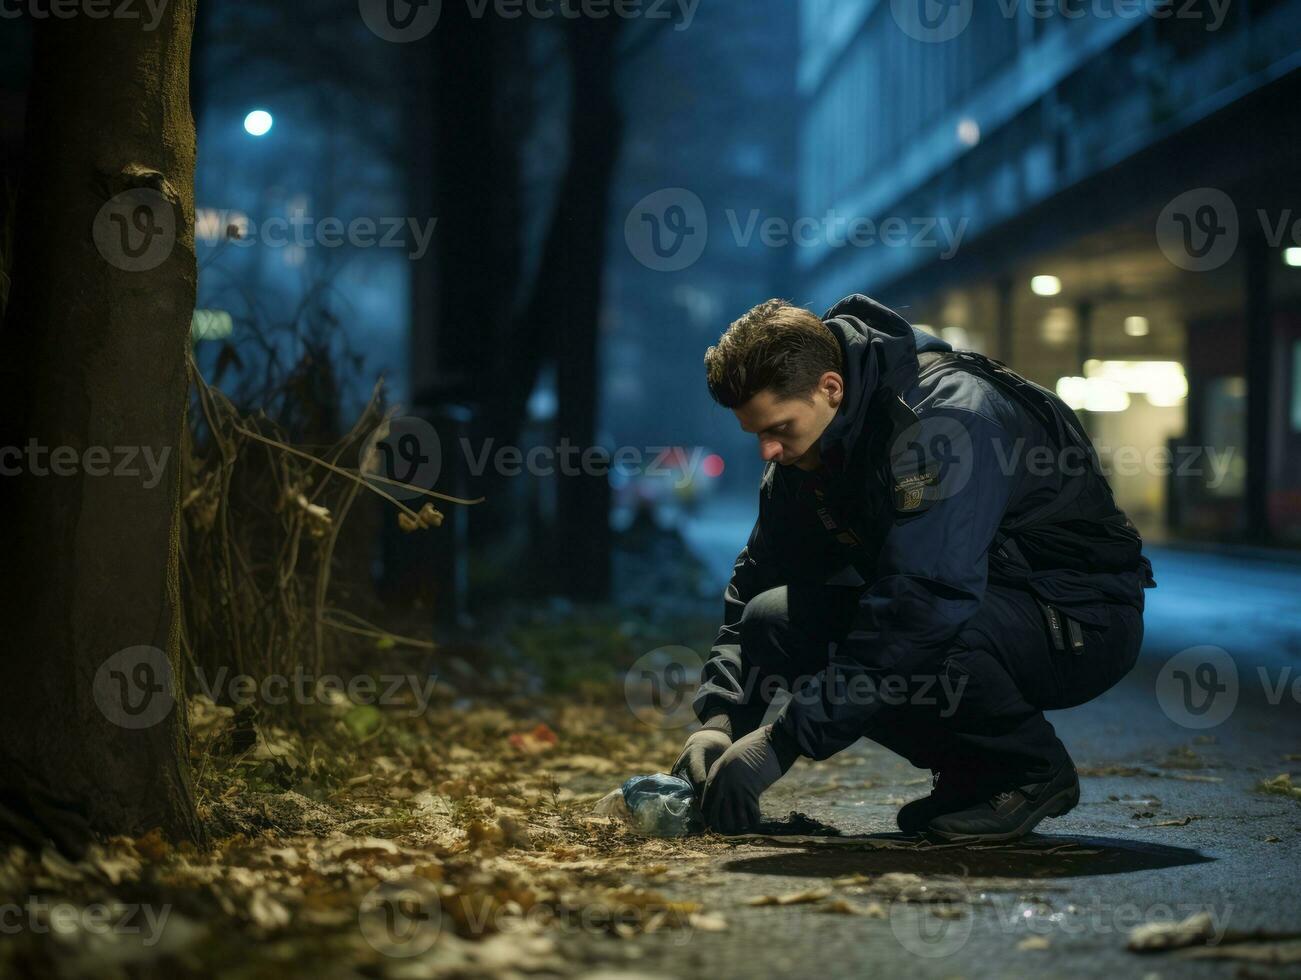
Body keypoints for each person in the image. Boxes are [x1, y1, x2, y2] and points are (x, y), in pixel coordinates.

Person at [671, 294, 1155, 841]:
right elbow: (757, 579)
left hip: (1079, 618)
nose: (767, 450)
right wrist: (723, 721)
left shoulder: (945, 420)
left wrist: (781, 743)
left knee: (919, 626)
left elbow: (925, 602)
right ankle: (977, 774)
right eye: (757, 433)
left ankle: (1028, 770)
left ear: (830, 387)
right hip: (977, 600)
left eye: (778, 428)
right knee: (773, 620)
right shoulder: (808, 452)